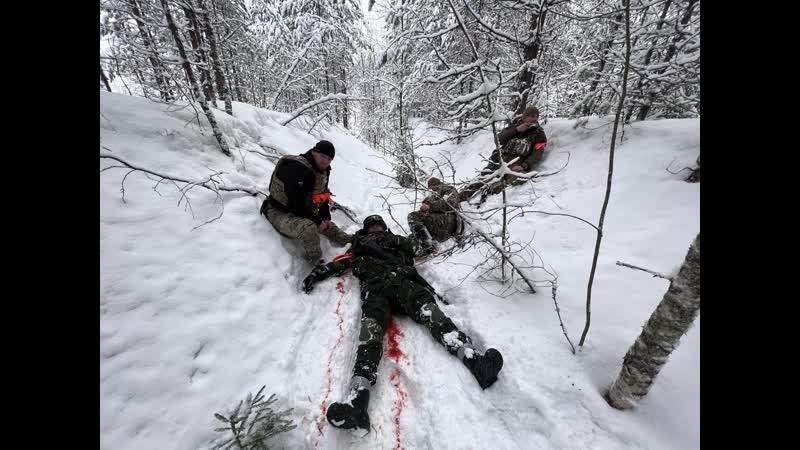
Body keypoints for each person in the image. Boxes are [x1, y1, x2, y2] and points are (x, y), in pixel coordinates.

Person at [302, 214, 504, 431]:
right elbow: (340, 263)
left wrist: (412, 234)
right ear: (367, 229)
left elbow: (423, 247)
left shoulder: (397, 241)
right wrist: (317, 273)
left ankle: (476, 361)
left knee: (434, 317)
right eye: (372, 226)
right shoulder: (359, 245)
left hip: (405, 284)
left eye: (379, 225)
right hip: (376, 289)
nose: (376, 228)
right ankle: (358, 402)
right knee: (369, 337)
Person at [260, 140, 352, 264]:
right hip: (279, 212)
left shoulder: (324, 171)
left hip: (304, 210)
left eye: (329, 159)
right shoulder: (295, 167)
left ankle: (351, 241)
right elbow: (296, 204)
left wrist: (325, 217)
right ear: (314, 152)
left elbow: (323, 195)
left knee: (327, 225)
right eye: (323, 156)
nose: (325, 161)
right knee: (309, 228)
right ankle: (315, 260)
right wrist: (318, 221)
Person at [459, 106, 548, 203]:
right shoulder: (515, 125)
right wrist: (517, 130)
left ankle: (491, 195)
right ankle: (458, 198)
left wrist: (524, 165)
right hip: (499, 160)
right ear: (524, 117)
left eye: (536, 116)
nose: (534, 119)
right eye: (531, 116)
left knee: (517, 179)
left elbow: (537, 153)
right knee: (482, 178)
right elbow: (499, 139)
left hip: (515, 164)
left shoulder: (539, 133)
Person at [407, 177, 463, 257]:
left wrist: (429, 206)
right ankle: (415, 250)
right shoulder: (433, 195)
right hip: (438, 223)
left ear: (437, 185)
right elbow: (427, 205)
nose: (431, 190)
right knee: (414, 233)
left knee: (413, 216)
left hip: (449, 223)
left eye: (432, 187)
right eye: (430, 188)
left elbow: (448, 205)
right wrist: (424, 209)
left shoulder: (449, 190)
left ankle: (428, 248)